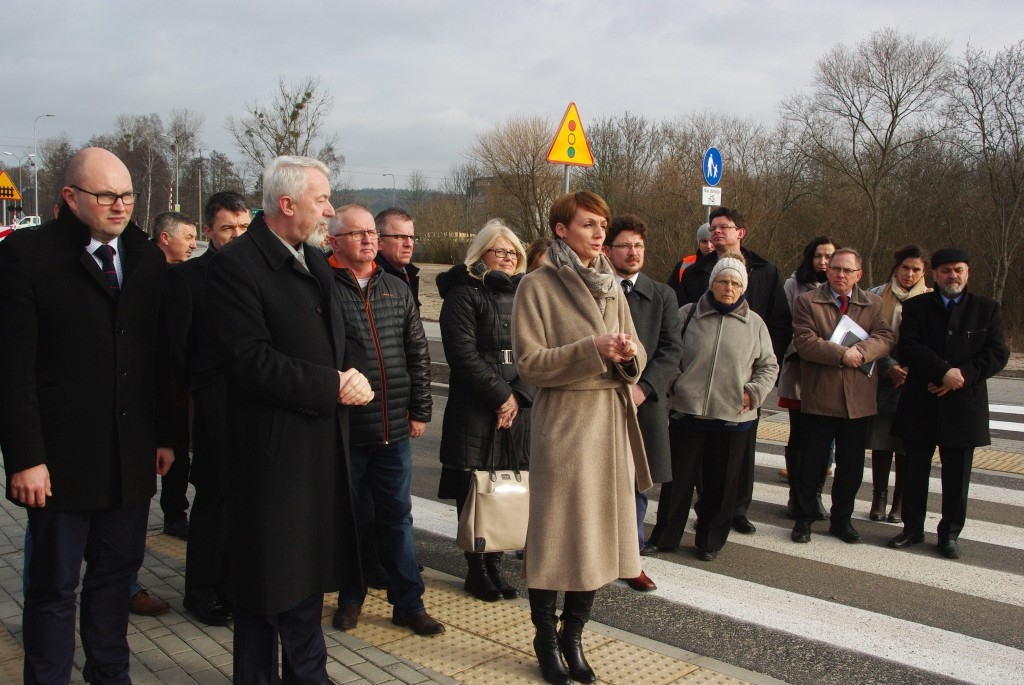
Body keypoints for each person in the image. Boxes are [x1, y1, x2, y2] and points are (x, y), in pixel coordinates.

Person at [0, 147, 174, 684]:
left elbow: (159, 357)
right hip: (59, 464)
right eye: (106, 196)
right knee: (53, 588)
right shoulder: (27, 257)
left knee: (114, 578)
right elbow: (12, 370)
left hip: (129, 458)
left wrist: (165, 435)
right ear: (70, 197)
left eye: (127, 195)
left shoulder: (144, 257)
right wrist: (26, 458)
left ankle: (109, 676)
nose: (120, 206)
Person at [207, 156, 373, 684]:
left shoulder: (313, 262)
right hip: (270, 458)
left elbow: (341, 339)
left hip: (318, 449)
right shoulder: (237, 266)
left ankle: (309, 676)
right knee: (264, 588)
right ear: (287, 204)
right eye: (322, 200)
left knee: (306, 582)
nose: (329, 210)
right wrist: (331, 385)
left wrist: (357, 375)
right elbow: (249, 360)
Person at [514, 191, 650, 685]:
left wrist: (629, 354)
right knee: (555, 540)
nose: (599, 233)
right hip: (566, 426)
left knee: (598, 540)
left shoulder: (611, 283)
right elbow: (530, 364)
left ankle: (574, 637)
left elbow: (637, 356)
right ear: (561, 229)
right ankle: (546, 639)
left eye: (603, 225)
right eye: (589, 224)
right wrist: (592, 349)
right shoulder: (536, 285)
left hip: (610, 425)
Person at [326, 205, 442, 636]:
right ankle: (351, 596)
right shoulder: (322, 287)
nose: (368, 240)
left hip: (395, 430)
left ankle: (407, 602)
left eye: (371, 233)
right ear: (333, 240)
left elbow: (418, 354)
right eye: (356, 233)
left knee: (398, 517)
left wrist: (420, 410)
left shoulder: (395, 287)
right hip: (347, 429)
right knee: (353, 518)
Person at [671, 207, 791, 536]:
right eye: (714, 227)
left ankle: (734, 512)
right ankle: (678, 523)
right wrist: (674, 383)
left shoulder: (765, 270)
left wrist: (755, 385)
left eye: (725, 226)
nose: (718, 231)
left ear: (741, 232)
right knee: (686, 467)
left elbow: (778, 325)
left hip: (739, 386)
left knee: (734, 464)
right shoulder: (692, 271)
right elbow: (673, 334)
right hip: (692, 394)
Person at [652, 253, 778, 560]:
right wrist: (675, 383)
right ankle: (665, 536)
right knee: (677, 483)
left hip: (733, 418)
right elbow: (667, 354)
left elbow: (768, 366)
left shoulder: (755, 323)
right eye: (723, 281)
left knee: (721, 487)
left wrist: (754, 392)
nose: (729, 288)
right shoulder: (687, 314)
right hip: (687, 413)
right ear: (712, 283)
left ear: (743, 287)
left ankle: (709, 541)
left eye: (736, 283)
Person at [888, 248, 1008, 559]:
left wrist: (961, 376)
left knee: (957, 476)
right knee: (914, 471)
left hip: (963, 405)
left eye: (958, 270)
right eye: (945, 271)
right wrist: (942, 372)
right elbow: (908, 347)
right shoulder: (916, 307)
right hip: (921, 401)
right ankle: (911, 528)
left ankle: (950, 534)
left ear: (967, 273)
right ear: (935, 274)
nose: (951, 275)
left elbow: (997, 353)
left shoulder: (987, 309)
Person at [436, 219, 533, 602]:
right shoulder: (463, 295)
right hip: (476, 408)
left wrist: (521, 396)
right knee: (475, 491)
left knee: (507, 490)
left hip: (518, 410)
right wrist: (501, 396)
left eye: (513, 252)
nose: (507, 258)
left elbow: (537, 355)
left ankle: (497, 566)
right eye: (499, 251)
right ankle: (476, 569)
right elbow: (462, 356)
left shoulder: (527, 296)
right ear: (481, 254)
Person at [168, 190, 251, 626]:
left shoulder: (256, 273)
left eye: (242, 227)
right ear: (208, 232)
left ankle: (234, 584)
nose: (236, 236)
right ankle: (201, 591)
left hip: (253, 402)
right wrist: (204, 385)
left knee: (244, 502)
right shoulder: (189, 279)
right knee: (214, 500)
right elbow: (177, 350)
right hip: (214, 402)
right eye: (226, 229)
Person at [790, 248, 894, 544]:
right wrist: (841, 354)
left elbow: (885, 337)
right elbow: (805, 341)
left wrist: (860, 352)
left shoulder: (873, 304)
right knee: (812, 464)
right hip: (821, 396)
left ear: (858, 275)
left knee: (850, 467)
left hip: (858, 401)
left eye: (848, 270)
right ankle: (804, 519)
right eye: (836, 268)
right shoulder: (808, 301)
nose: (840, 274)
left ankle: (842, 520)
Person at [604, 214, 683, 589]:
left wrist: (644, 387)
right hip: (600, 401)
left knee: (637, 483)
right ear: (607, 250)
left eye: (638, 246)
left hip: (644, 404)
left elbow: (671, 350)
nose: (633, 252)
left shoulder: (663, 294)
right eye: (625, 245)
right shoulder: (597, 289)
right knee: (596, 481)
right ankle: (595, 554)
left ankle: (631, 559)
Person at [866, 245, 930, 523]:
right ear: (896, 268)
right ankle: (878, 497)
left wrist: (912, 368)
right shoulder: (877, 295)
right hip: (882, 376)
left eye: (916, 269)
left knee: (906, 445)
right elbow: (865, 335)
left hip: (915, 380)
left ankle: (899, 501)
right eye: (905, 268)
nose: (909, 274)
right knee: (881, 442)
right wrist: (889, 366)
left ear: (924, 272)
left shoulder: (930, 299)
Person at [778, 237, 840, 519]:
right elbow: (786, 325)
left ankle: (814, 494)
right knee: (800, 438)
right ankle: (796, 495)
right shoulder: (793, 285)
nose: (824, 262)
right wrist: (809, 349)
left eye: (829, 257)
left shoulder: (842, 288)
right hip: (800, 371)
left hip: (830, 375)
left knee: (823, 440)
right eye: (819, 256)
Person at [152, 210, 199, 540]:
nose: (194, 245)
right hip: (156, 382)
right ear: (165, 238)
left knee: (179, 452)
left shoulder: (188, 275)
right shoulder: (147, 275)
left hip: (181, 385)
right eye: (189, 237)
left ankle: (174, 512)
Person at [374, 207, 420, 307]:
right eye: (400, 237)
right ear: (378, 242)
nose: (409, 244)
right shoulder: (370, 280)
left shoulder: (409, 274)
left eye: (411, 237)